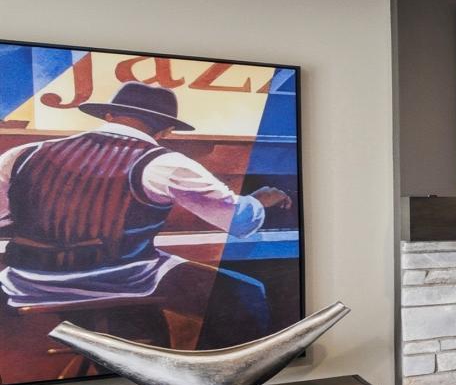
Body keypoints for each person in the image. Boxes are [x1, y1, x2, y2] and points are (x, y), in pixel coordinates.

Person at [0, 81, 293, 346]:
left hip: (24, 280)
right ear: (166, 130)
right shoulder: (165, 163)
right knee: (245, 292)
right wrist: (259, 200)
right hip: (123, 279)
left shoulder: (23, 154)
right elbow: (238, 220)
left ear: (109, 115)